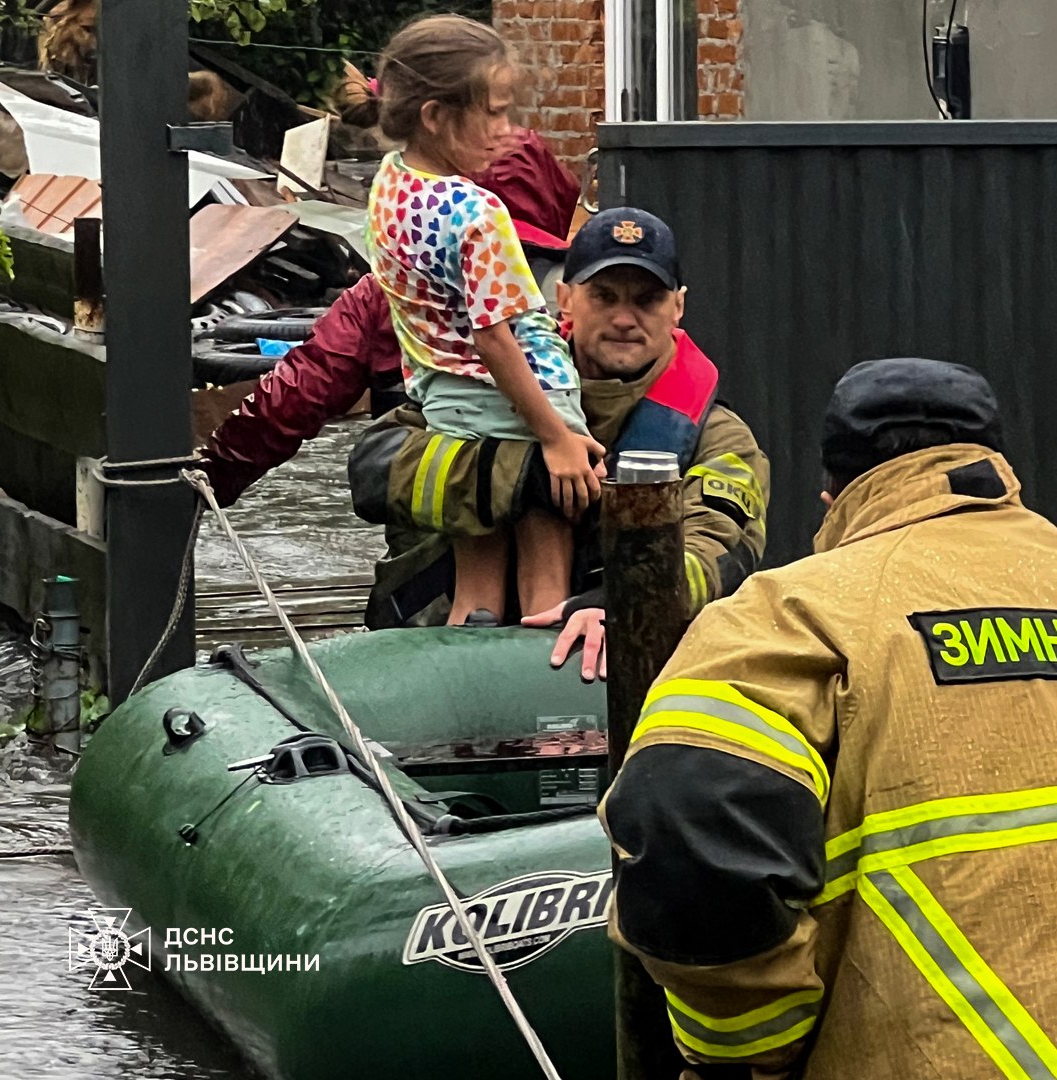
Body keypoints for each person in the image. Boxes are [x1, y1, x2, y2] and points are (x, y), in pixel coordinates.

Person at [600, 357, 1057, 1079]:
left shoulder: (793, 613)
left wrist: (752, 1050)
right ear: (996, 465)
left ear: (831, 497)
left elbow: (686, 816)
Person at [348, 206, 770, 677]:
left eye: (647, 300)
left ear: (679, 306)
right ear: (565, 299)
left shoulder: (720, 437)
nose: (625, 319)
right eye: (605, 297)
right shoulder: (492, 381)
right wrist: (522, 474)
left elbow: (721, 549)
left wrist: (626, 599)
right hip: (440, 647)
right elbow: (373, 469)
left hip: (605, 656)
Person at [198, 126, 580, 510]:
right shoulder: (593, 290)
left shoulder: (386, 291)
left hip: (445, 505)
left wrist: (208, 482)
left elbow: (292, 399)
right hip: (568, 494)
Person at [364, 14, 604, 624]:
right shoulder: (476, 210)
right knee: (546, 572)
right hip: (531, 399)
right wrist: (555, 437)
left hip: (448, 406)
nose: (508, 130)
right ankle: (549, 713)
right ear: (436, 116)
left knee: (474, 589)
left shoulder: (389, 186)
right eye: (493, 113)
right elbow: (495, 337)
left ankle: (468, 699)